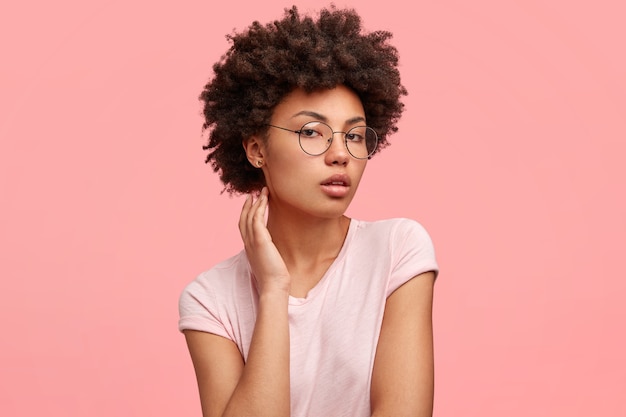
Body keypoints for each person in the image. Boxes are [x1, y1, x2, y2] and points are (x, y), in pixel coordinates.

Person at [178, 5, 439, 417]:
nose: (340, 154)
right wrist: (274, 290)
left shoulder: (397, 251)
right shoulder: (211, 300)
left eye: (354, 135)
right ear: (256, 149)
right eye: (311, 132)